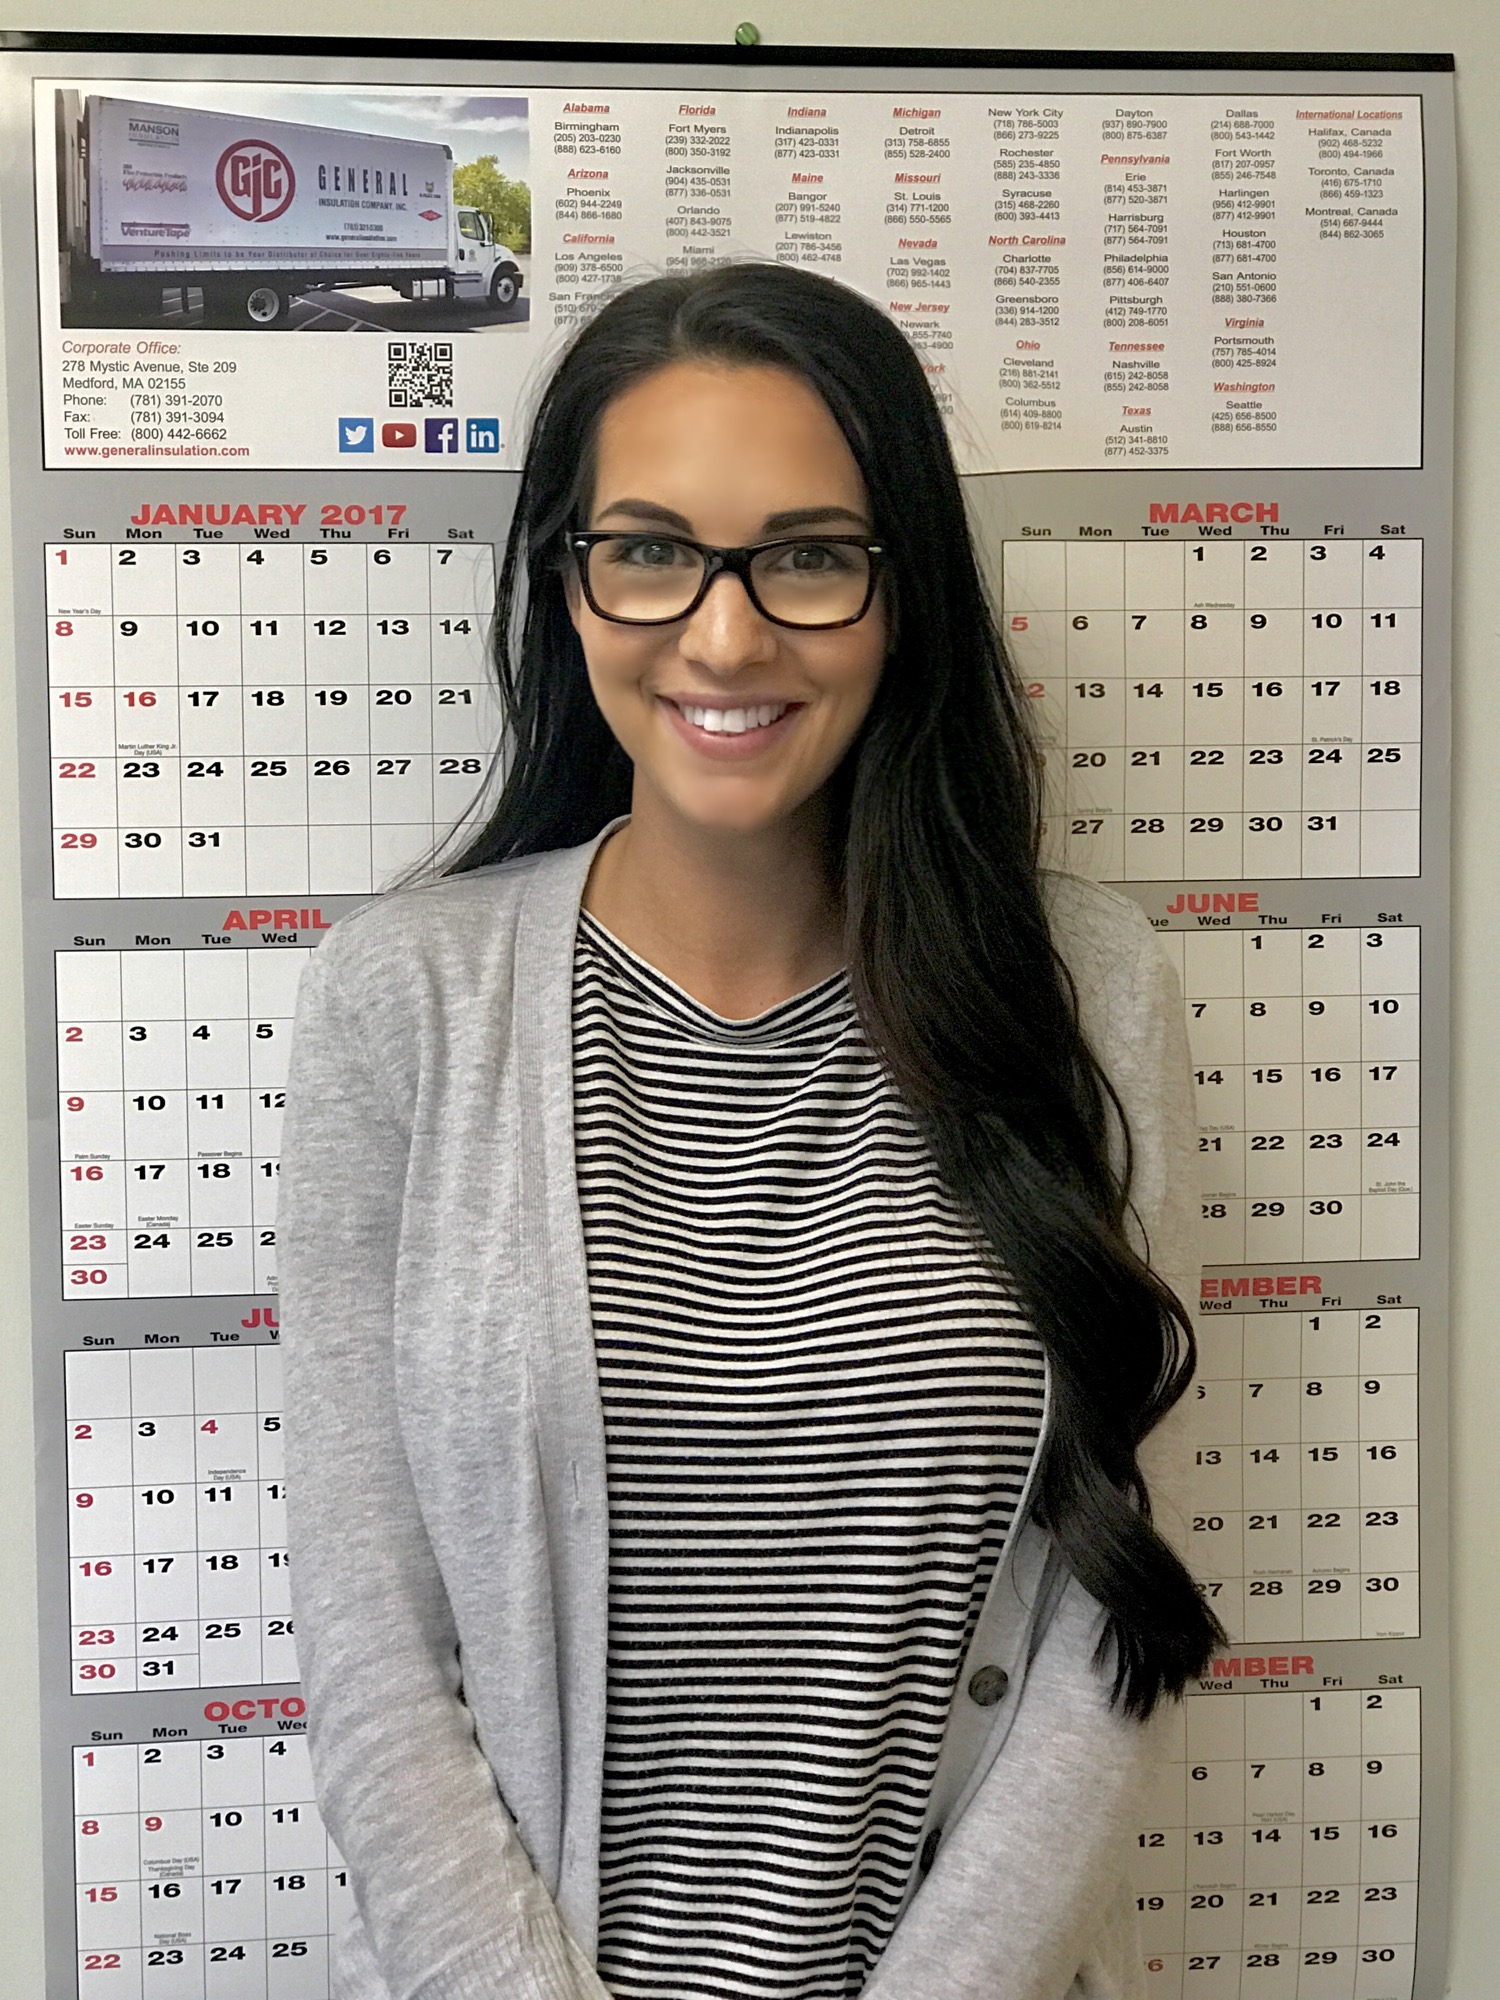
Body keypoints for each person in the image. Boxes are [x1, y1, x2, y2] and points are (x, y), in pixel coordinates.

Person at [278, 261, 1220, 2000]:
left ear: (901, 593)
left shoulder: (1085, 994)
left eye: (808, 555)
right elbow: (374, 1646)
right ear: (565, 582)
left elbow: (1109, 1622)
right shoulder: (400, 1004)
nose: (724, 638)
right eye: (649, 551)